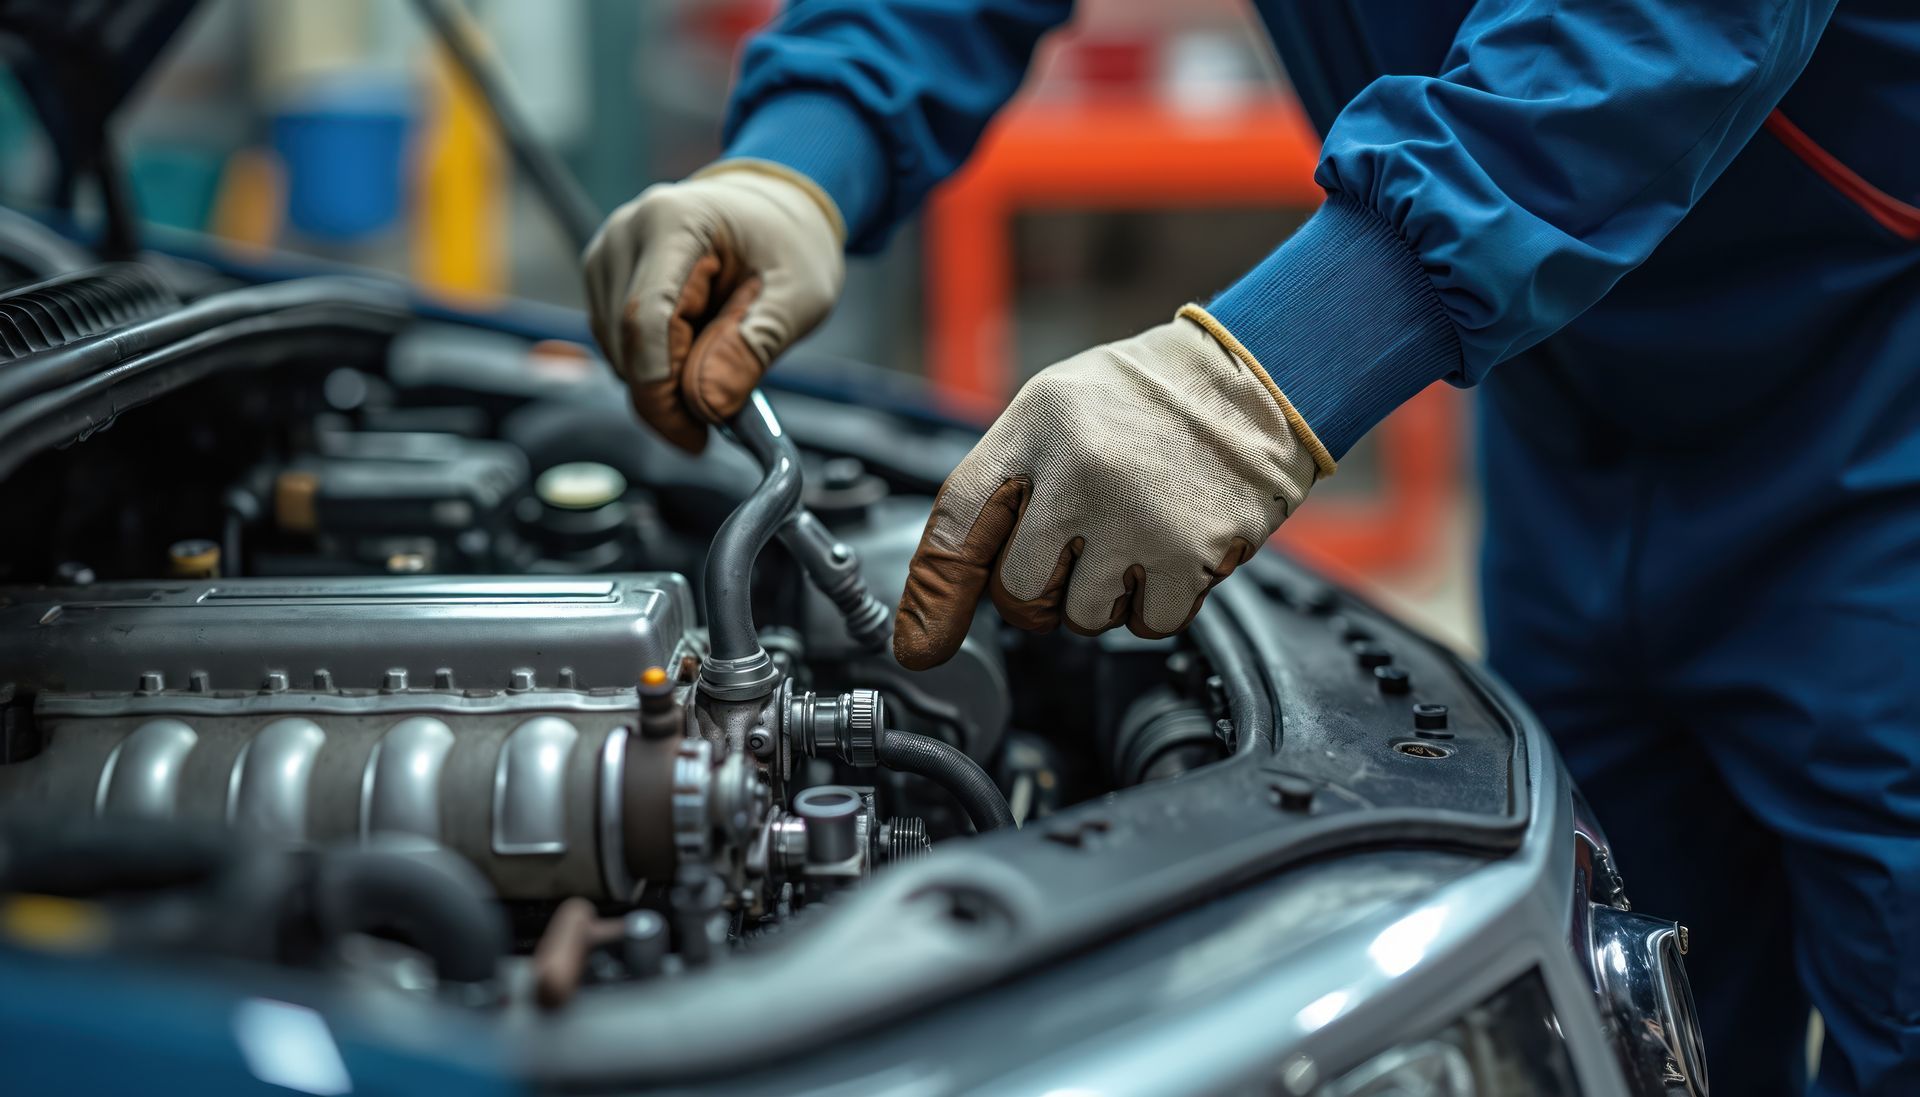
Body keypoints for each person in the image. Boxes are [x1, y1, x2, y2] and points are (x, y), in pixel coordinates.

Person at [583, 3, 1920, 1093]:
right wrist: (806, 151)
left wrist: (1285, 360)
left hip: (1879, 419)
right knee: (1615, 1019)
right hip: (1573, 427)